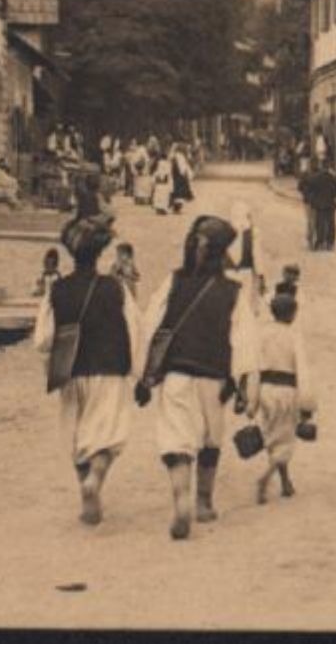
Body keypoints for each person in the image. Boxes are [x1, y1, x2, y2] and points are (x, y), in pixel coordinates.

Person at [136, 216, 262, 540]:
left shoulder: (174, 282)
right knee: (210, 438)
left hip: (177, 374)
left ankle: (180, 498)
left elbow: (152, 324)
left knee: (176, 438)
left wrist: (145, 373)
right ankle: (203, 502)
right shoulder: (234, 291)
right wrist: (247, 385)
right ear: (224, 255)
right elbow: (244, 340)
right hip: (214, 378)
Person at [33, 216, 140, 526]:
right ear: (99, 254)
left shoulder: (57, 290)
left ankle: (86, 493)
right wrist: (138, 371)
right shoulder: (115, 288)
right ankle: (96, 477)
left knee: (78, 436)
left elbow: (42, 339)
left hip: (72, 371)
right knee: (108, 436)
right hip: (109, 368)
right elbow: (135, 330)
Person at [255, 276, 315, 504]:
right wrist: (307, 404)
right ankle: (266, 477)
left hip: (266, 390)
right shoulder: (293, 336)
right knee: (286, 438)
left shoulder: (263, 334)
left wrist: (250, 398)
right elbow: (303, 372)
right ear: (292, 314)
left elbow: (254, 365)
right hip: (287, 392)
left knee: (272, 434)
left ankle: (285, 481)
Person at [225, 200, 268, 318]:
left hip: (227, 273)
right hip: (246, 273)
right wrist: (261, 275)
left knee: (230, 309)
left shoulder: (224, 231)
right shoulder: (253, 232)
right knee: (245, 308)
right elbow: (257, 256)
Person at [309, 162, 336, 251]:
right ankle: (330, 242)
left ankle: (320, 242)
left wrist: (313, 201)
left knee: (320, 224)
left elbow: (311, 189)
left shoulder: (315, 177)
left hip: (320, 203)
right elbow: (335, 190)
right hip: (330, 203)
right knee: (330, 223)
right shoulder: (332, 177)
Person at [169, 144, 195, 212]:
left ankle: (176, 206)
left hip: (175, 175)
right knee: (179, 192)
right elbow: (183, 167)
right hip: (179, 175)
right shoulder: (180, 156)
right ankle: (177, 206)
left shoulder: (174, 156)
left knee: (176, 191)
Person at [151, 152, 174, 216]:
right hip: (165, 182)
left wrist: (153, 181)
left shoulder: (158, 163)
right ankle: (163, 208)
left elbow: (156, 172)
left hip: (159, 182)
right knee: (164, 196)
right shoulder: (168, 164)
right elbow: (169, 174)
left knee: (159, 195)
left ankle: (159, 208)